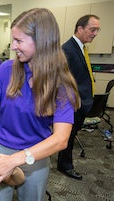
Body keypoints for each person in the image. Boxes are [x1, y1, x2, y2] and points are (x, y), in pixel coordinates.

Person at [0, 8, 80, 201]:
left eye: (19, 41)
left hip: (35, 154)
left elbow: (61, 139)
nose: (13, 47)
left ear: (42, 42)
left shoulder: (61, 84)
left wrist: (15, 160)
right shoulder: (7, 70)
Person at [57, 14, 100, 180]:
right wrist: (74, 101)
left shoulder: (81, 47)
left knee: (71, 136)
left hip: (81, 102)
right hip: (73, 104)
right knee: (67, 137)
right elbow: (61, 80)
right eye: (92, 29)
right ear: (80, 29)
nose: (95, 33)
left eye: (97, 30)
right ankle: (65, 166)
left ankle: (64, 162)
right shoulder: (67, 49)